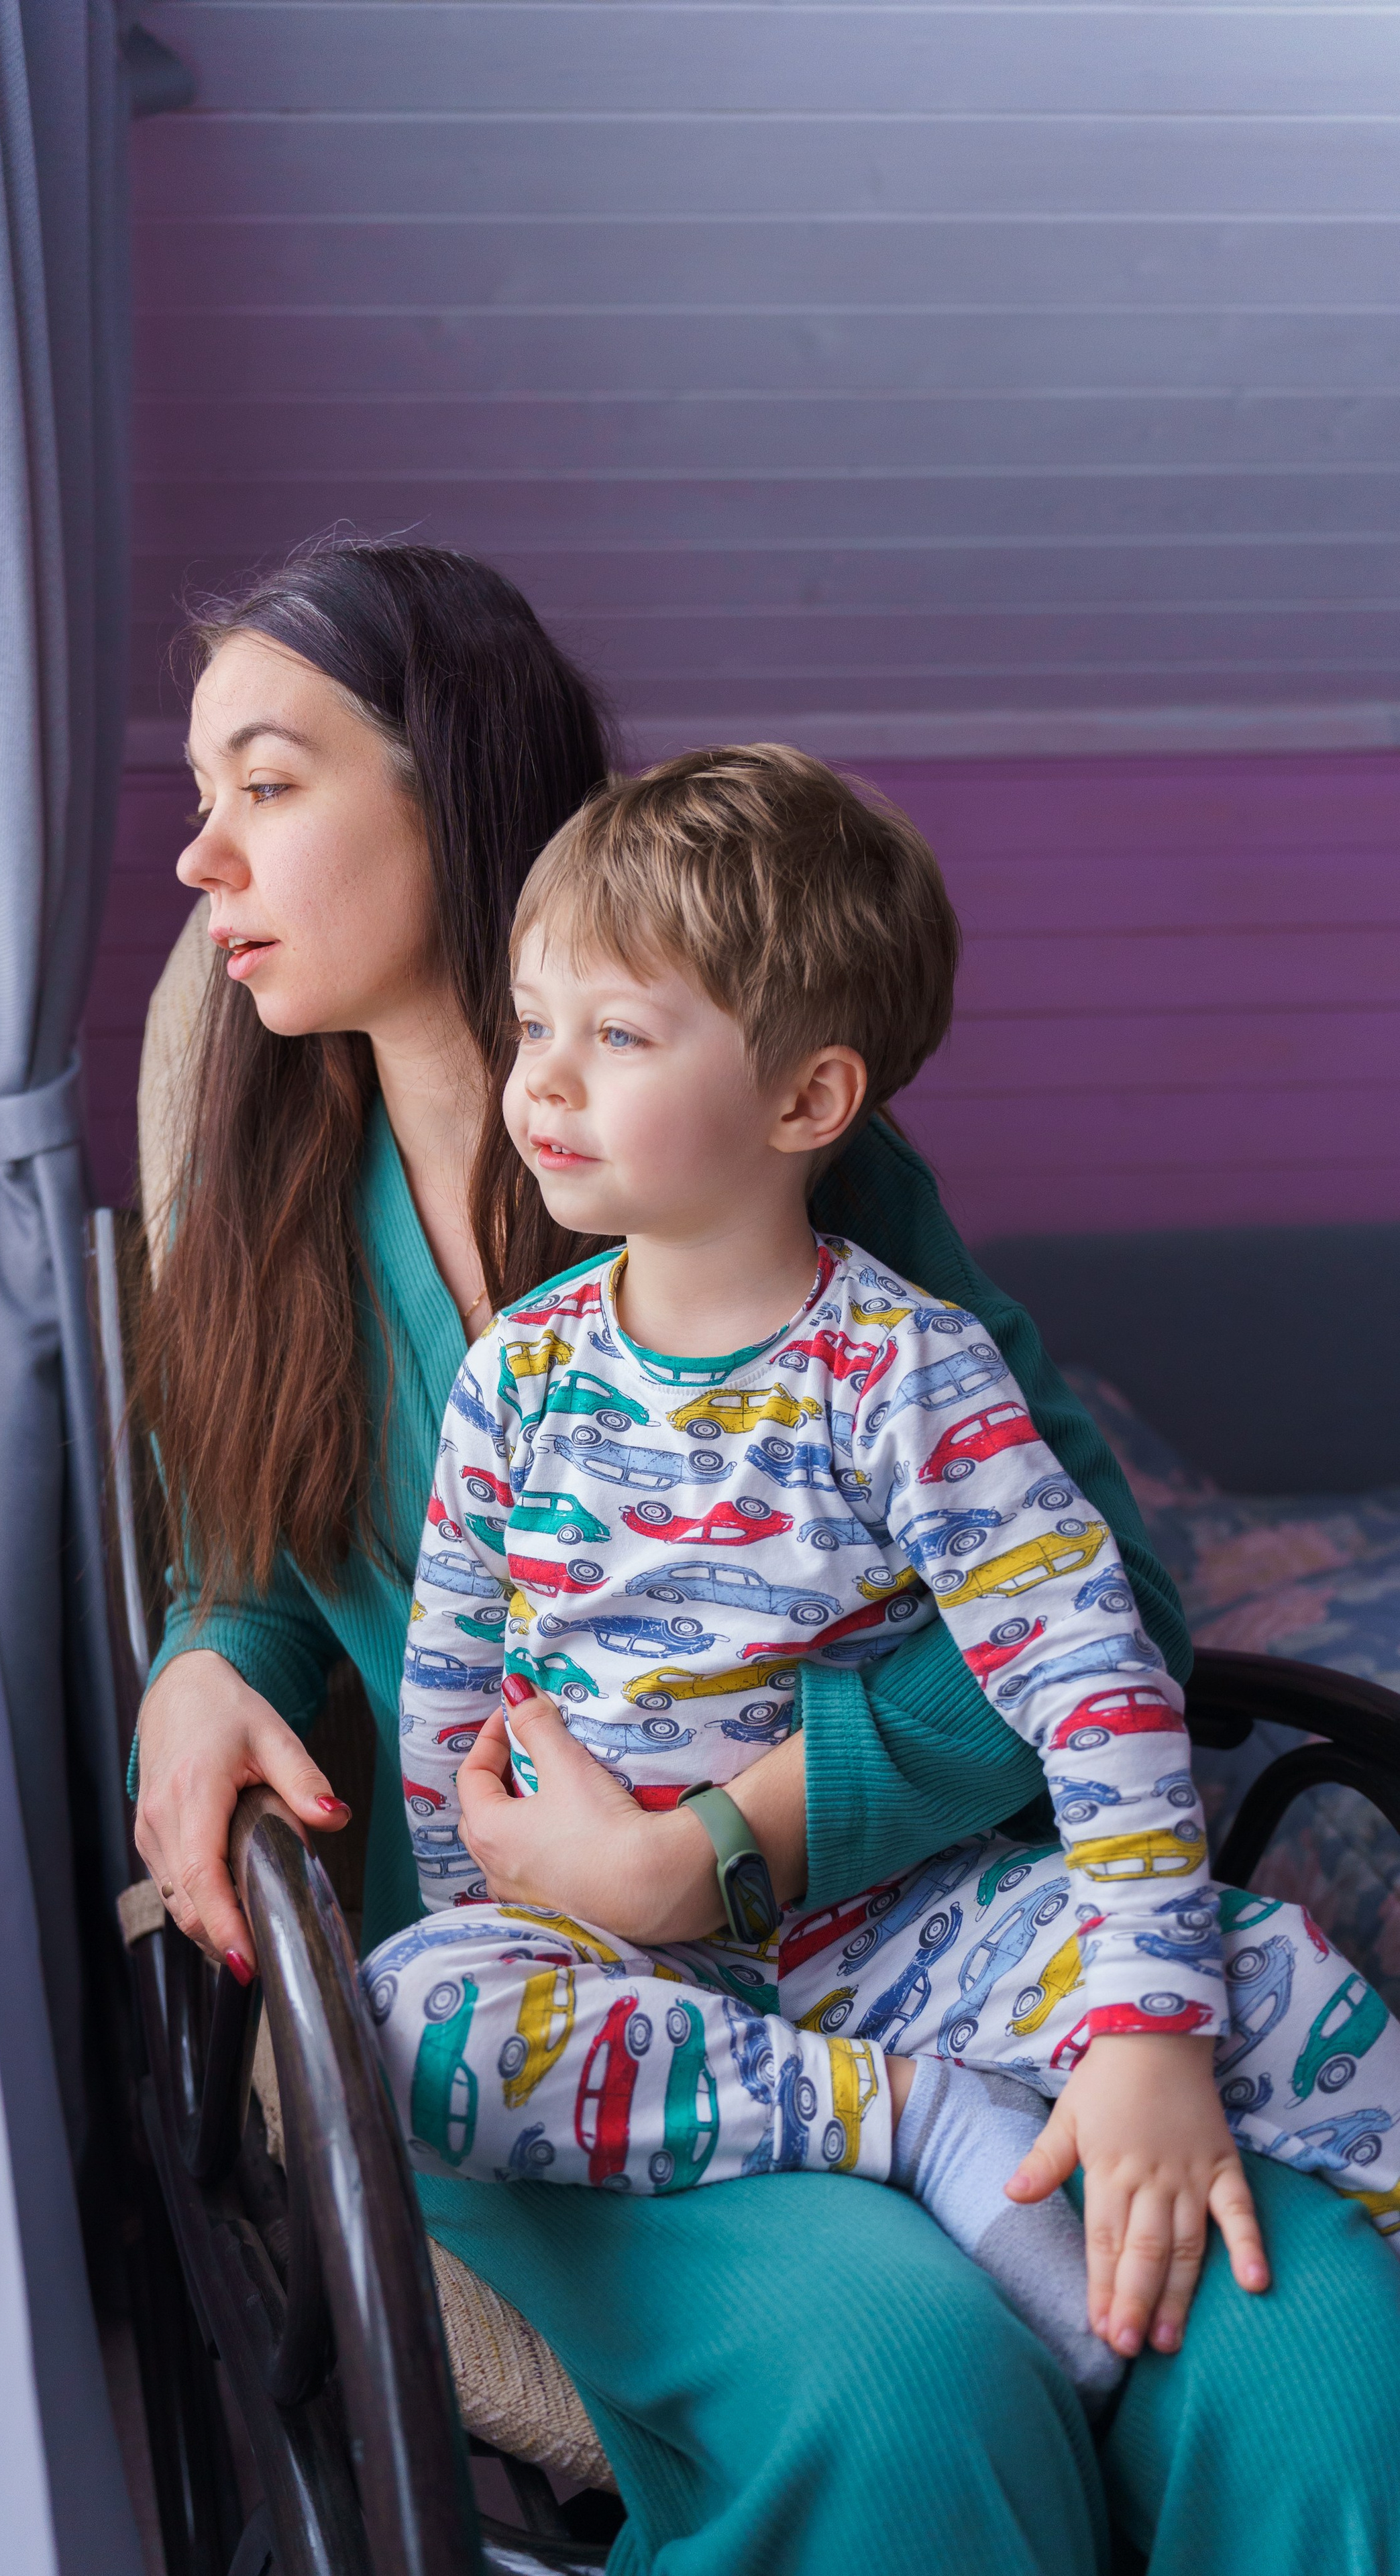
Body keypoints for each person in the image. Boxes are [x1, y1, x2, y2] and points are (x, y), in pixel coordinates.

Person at [132, 537, 1400, 2575]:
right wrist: (207, 1659)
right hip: (578, 2043)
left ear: (451, 794)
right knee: (904, 2397)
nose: (199, 861)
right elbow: (266, 1574)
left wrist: (724, 1842)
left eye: (265, 787)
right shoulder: (272, 1219)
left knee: (1322, 2365)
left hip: (920, 1947)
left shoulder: (788, 1174)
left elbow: (1108, 1613)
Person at [368, 743, 1400, 2412]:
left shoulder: (906, 1372)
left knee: (1275, 1983)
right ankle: (914, 2123)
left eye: (615, 1036)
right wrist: (488, 1905)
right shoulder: (519, 1378)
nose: (542, 1084)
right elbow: (450, 1688)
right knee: (409, 2021)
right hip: (610, 1956)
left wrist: (1141, 2026)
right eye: (533, 1023)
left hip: (906, 1925)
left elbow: (1092, 1672)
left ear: (804, 1103)